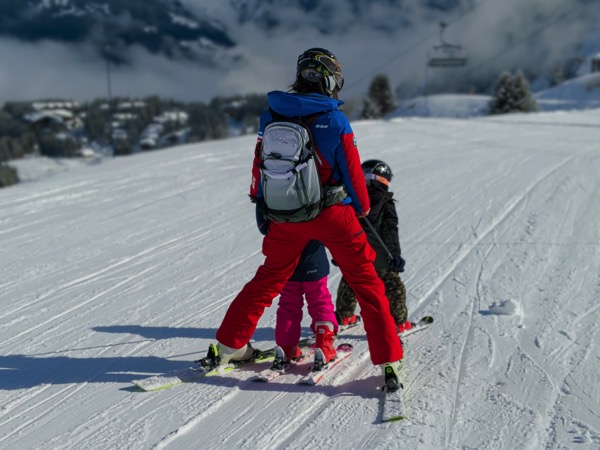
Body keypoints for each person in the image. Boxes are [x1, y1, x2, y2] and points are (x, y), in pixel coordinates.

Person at [210, 47, 403, 384]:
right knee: (365, 280)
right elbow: (353, 173)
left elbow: (259, 164)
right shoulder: (335, 119)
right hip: (333, 214)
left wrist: (262, 203)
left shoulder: (271, 114)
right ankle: (388, 359)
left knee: (268, 279)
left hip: (284, 216)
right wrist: (362, 208)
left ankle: (229, 345)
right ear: (331, 80)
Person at [335, 159, 411, 333]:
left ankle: (345, 316)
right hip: (380, 256)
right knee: (393, 286)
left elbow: (341, 228)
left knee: (350, 280)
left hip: (354, 254)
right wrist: (395, 255)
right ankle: (399, 322)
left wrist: (339, 253)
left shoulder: (350, 201)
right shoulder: (386, 202)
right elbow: (390, 231)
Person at [256, 207, 337, 364]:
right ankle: (324, 344)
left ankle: (286, 347)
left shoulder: (273, 184)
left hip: (287, 258)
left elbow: (263, 226)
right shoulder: (313, 184)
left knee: (288, 303)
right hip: (314, 260)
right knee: (319, 300)